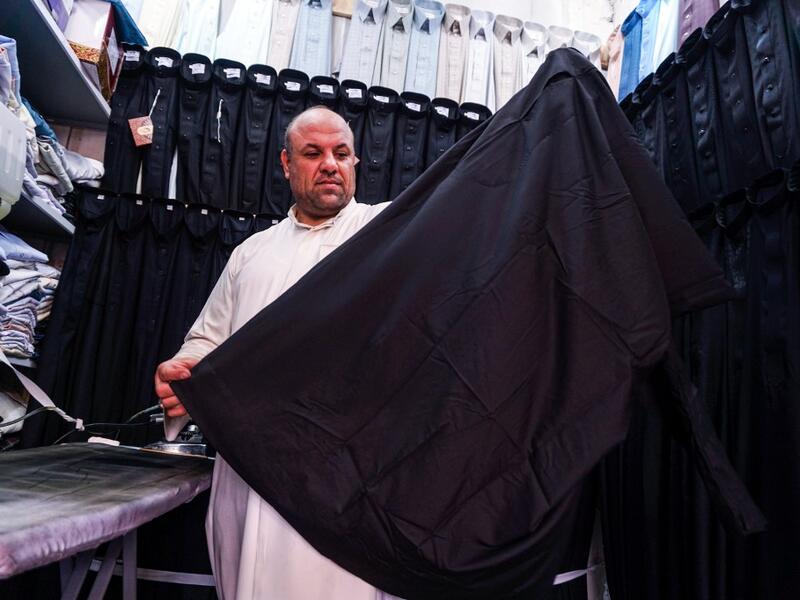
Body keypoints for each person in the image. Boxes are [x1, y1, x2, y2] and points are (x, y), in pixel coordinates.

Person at [155, 107, 400, 600]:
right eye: (314, 154)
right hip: (247, 477)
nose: (330, 164)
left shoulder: (389, 233)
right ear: (287, 165)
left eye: (342, 154)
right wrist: (182, 372)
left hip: (342, 482)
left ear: (356, 163)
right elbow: (208, 339)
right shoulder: (252, 253)